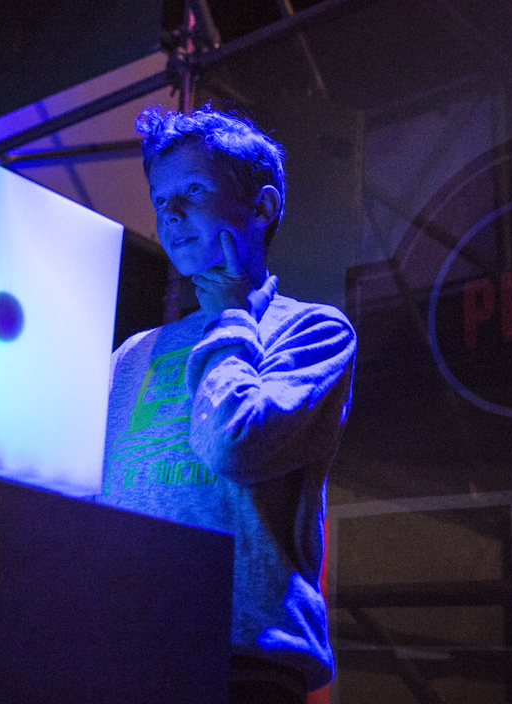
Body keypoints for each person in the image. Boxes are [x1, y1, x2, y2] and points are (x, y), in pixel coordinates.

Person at [98, 104, 357, 702]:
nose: (171, 212)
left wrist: (232, 318)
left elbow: (235, 445)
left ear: (262, 207)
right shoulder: (134, 352)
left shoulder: (313, 330)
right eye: (160, 198)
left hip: (243, 660)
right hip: (124, 647)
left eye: (193, 190)